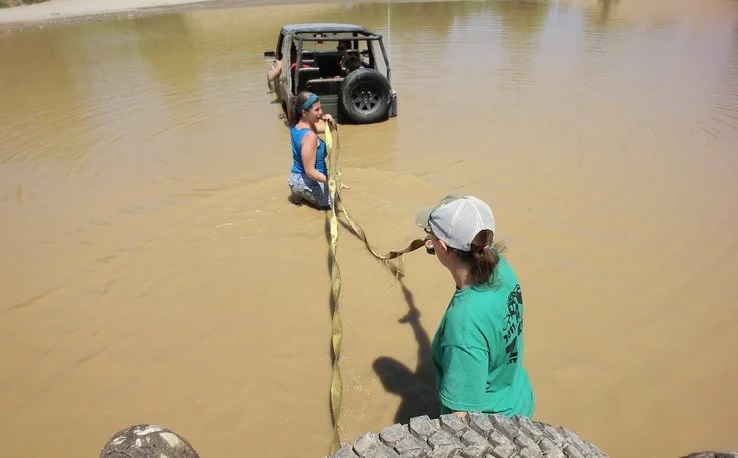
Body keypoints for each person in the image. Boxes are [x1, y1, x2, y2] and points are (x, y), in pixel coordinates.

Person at [414, 195, 535, 419]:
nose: (428, 237)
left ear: (442, 246)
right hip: (517, 398)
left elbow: (462, 416)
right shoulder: (498, 264)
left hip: (495, 421)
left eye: (430, 233)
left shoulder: (463, 324)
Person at [287, 91, 334, 209]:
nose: (321, 112)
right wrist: (332, 181)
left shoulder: (296, 125)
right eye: (317, 110)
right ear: (304, 112)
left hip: (295, 182)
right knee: (333, 206)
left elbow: (330, 129)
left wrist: (331, 121)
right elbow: (310, 172)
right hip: (310, 183)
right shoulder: (310, 136)